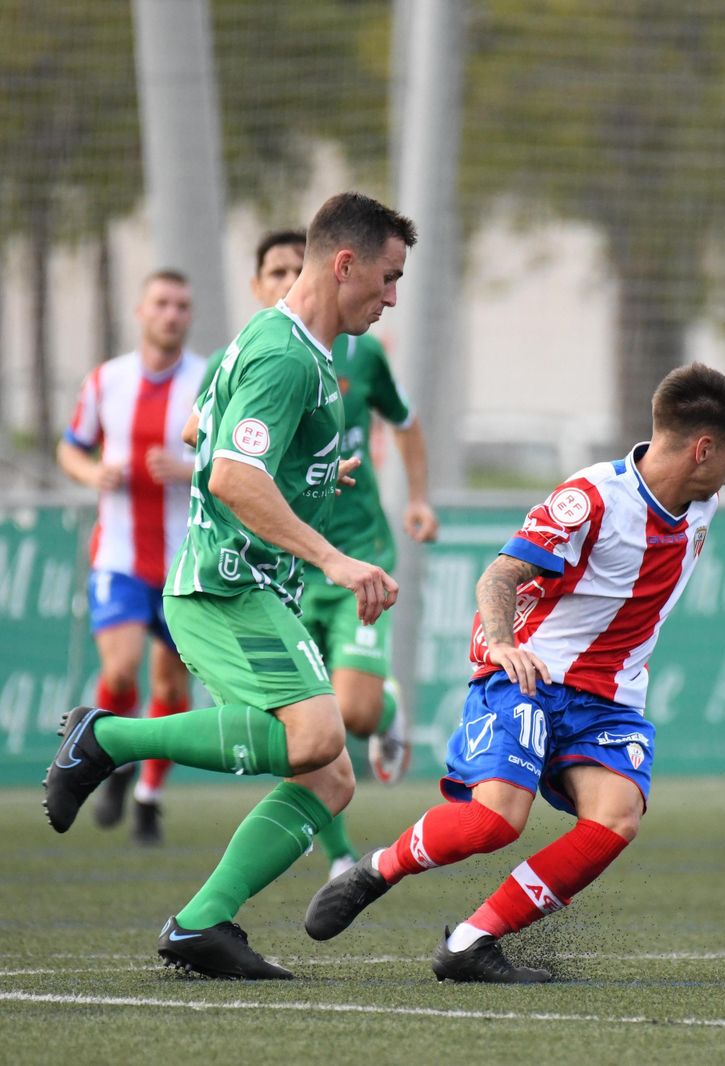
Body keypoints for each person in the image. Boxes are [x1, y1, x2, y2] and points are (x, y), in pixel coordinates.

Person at [43, 191, 412, 980]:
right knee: (317, 739)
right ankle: (106, 738)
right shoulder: (285, 355)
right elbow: (235, 476)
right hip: (225, 585)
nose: (390, 298)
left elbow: (203, 439)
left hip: (247, 587)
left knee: (331, 774)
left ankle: (201, 924)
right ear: (343, 263)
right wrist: (334, 558)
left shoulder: (293, 346)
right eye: (386, 278)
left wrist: (316, 471)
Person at [302, 363, 725, 984]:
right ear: (702, 449)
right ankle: (382, 866)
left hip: (609, 698)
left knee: (617, 817)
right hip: (527, 676)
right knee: (495, 822)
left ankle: (470, 941)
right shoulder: (591, 498)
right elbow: (499, 576)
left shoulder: (701, 501)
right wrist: (501, 643)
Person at [191, 228, 440, 879]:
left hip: (353, 548)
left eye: (290, 268)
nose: (389, 296)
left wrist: (416, 497)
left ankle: (385, 709)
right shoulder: (270, 352)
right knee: (315, 732)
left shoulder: (354, 356)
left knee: (349, 716)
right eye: (273, 271)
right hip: (291, 560)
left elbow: (405, 422)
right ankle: (337, 859)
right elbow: (207, 438)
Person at [56, 271, 206, 845]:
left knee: (170, 688)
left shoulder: (205, 380)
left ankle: (149, 794)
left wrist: (189, 469)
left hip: (183, 561)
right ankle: (111, 757)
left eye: (182, 306)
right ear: (142, 311)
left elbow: (228, 460)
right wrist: (94, 472)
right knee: (118, 671)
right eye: (162, 304)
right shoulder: (106, 380)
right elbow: (70, 446)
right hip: (118, 555)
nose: (172, 314)